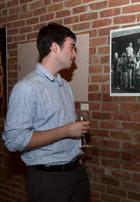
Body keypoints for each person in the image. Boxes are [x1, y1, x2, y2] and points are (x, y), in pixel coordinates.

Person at [2, 23, 91, 202]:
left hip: (75, 173)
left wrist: (77, 158)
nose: (74, 55)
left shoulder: (64, 85)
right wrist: (65, 131)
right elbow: (14, 141)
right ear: (55, 47)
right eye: (72, 47)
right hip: (48, 178)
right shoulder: (26, 88)